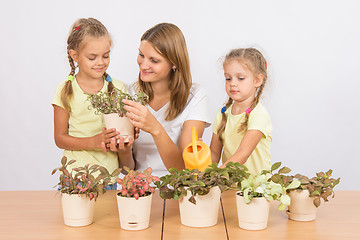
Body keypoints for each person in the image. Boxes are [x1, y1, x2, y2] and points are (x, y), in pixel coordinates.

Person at [104, 23, 211, 177]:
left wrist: (155, 128)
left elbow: (186, 170)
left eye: (154, 60)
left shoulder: (195, 97)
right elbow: (127, 169)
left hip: (178, 189)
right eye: (141, 55)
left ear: (174, 63)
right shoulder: (129, 94)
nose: (144, 65)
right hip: (140, 188)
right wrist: (125, 151)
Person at [52, 18, 127, 189]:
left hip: (108, 178)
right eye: (92, 57)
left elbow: (124, 131)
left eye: (106, 56)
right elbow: (60, 138)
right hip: (74, 176)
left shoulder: (118, 88)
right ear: (75, 56)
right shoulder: (65, 90)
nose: (100, 62)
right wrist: (93, 142)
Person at [210, 48, 272, 176]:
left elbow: (243, 153)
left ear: (257, 80)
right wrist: (200, 155)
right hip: (229, 186)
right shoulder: (222, 113)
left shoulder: (258, 114)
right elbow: (214, 154)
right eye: (228, 78)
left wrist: (218, 174)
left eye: (240, 78)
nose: (232, 83)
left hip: (256, 189)